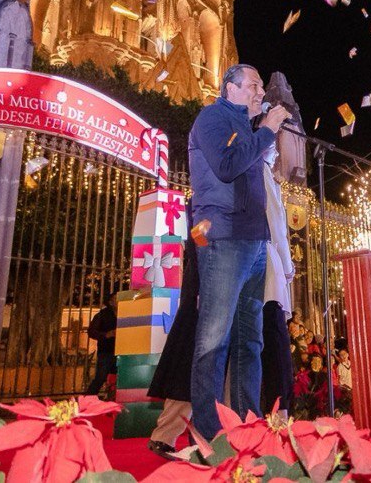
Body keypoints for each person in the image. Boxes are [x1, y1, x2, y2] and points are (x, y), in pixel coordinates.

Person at [188, 64, 291, 440]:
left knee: (251, 339)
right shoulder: (212, 119)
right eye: (253, 85)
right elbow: (228, 166)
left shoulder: (246, 128)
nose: (260, 92)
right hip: (223, 239)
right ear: (229, 88)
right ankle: (207, 433)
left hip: (253, 241)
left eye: (261, 85)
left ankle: (247, 428)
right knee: (214, 338)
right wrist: (266, 130)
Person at [147, 238, 198, 459]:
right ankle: (165, 436)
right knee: (186, 371)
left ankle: (187, 437)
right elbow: (200, 241)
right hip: (200, 300)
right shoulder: (202, 215)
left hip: (204, 297)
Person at [258, 120, 296, 414]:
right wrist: (287, 265)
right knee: (274, 342)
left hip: (262, 264)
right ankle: (278, 409)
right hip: (269, 266)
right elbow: (276, 224)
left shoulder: (259, 173)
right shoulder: (261, 173)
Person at [85, 290, 118, 397]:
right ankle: (87, 400)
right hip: (106, 352)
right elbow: (91, 331)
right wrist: (106, 335)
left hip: (122, 352)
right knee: (100, 378)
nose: (119, 301)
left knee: (117, 379)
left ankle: (112, 400)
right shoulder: (102, 315)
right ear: (110, 302)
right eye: (116, 299)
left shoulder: (125, 314)